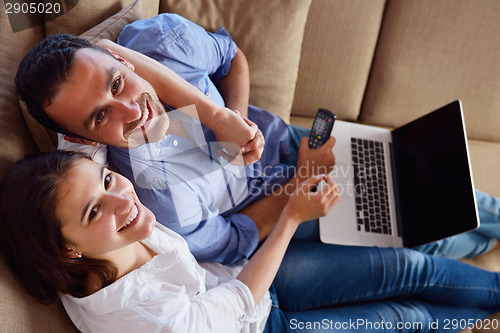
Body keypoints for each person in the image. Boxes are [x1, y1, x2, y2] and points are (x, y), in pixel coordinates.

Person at [15, 14, 500, 264]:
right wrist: (298, 189)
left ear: (121, 58)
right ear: (81, 140)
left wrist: (234, 117)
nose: (130, 111)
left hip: (286, 138)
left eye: (117, 83)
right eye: (100, 118)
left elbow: (231, 59)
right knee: (419, 237)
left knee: (427, 173)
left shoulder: (160, 41)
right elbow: (233, 239)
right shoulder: (149, 198)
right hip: (273, 203)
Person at [0, 150, 499, 333]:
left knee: (408, 266)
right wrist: (288, 218)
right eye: (94, 210)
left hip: (250, 279)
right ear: (68, 248)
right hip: (260, 322)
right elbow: (234, 306)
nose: (120, 199)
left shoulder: (94, 235)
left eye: (108, 179)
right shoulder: (140, 319)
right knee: (406, 316)